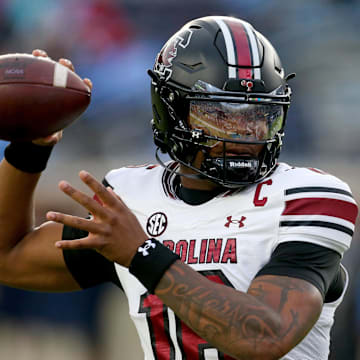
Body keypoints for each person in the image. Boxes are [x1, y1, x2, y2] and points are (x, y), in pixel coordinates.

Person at [0, 15, 357, 360]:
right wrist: (29, 148)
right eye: (222, 115)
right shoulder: (133, 197)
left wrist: (142, 253)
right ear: (171, 110)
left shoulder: (306, 197)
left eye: (259, 116)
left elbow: (264, 336)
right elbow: (8, 258)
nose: (247, 133)